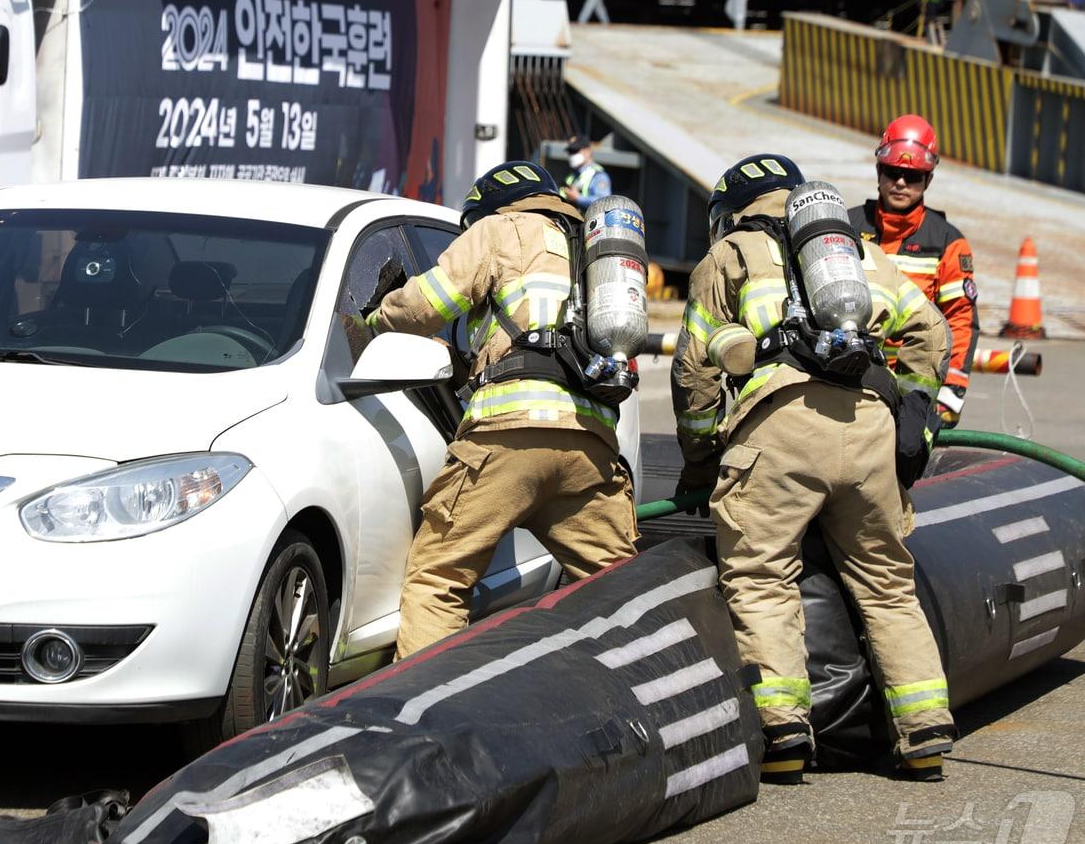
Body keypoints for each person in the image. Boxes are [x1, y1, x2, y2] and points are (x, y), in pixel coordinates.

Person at [671, 154, 955, 784]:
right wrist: (916, 412)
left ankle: (783, 735)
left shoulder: (731, 255)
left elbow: (694, 371)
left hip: (781, 424)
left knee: (761, 575)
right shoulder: (858, 251)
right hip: (869, 426)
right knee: (886, 581)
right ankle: (927, 730)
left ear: (731, 210)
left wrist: (700, 459)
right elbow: (931, 332)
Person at [368, 160, 638, 658]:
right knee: (620, 591)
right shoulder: (593, 251)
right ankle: (651, 694)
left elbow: (427, 304)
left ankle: (417, 716)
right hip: (590, 444)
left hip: (510, 435)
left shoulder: (499, 229)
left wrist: (374, 320)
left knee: (439, 576)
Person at [849, 115, 977, 426]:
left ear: (928, 180)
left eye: (913, 176)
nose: (901, 183)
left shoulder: (947, 241)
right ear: (879, 171)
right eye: (893, 173)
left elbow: (960, 320)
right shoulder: (846, 227)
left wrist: (950, 394)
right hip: (849, 380)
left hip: (914, 387)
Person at [561, 134, 612, 210]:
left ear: (588, 151)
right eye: (570, 152)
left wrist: (578, 198)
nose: (572, 155)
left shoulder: (599, 176)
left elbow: (604, 202)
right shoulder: (571, 177)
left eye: (575, 151)